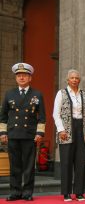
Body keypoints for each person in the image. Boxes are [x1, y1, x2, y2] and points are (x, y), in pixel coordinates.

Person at [0, 63, 46, 201]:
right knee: (14, 165)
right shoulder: (9, 94)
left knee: (28, 166)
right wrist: (3, 133)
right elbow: (3, 116)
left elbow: (42, 117)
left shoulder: (37, 94)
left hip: (29, 135)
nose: (21, 78)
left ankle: (27, 193)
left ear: (30, 78)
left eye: (24, 75)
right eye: (19, 75)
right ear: (16, 78)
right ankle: (15, 192)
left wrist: (39, 133)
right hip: (13, 134)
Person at [52, 69, 85, 201]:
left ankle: (79, 192)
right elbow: (56, 113)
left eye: (77, 78)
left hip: (81, 130)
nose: (75, 80)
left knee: (80, 163)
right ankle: (66, 193)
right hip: (66, 131)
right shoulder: (61, 93)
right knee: (66, 163)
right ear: (67, 80)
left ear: (79, 80)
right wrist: (61, 130)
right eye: (72, 78)